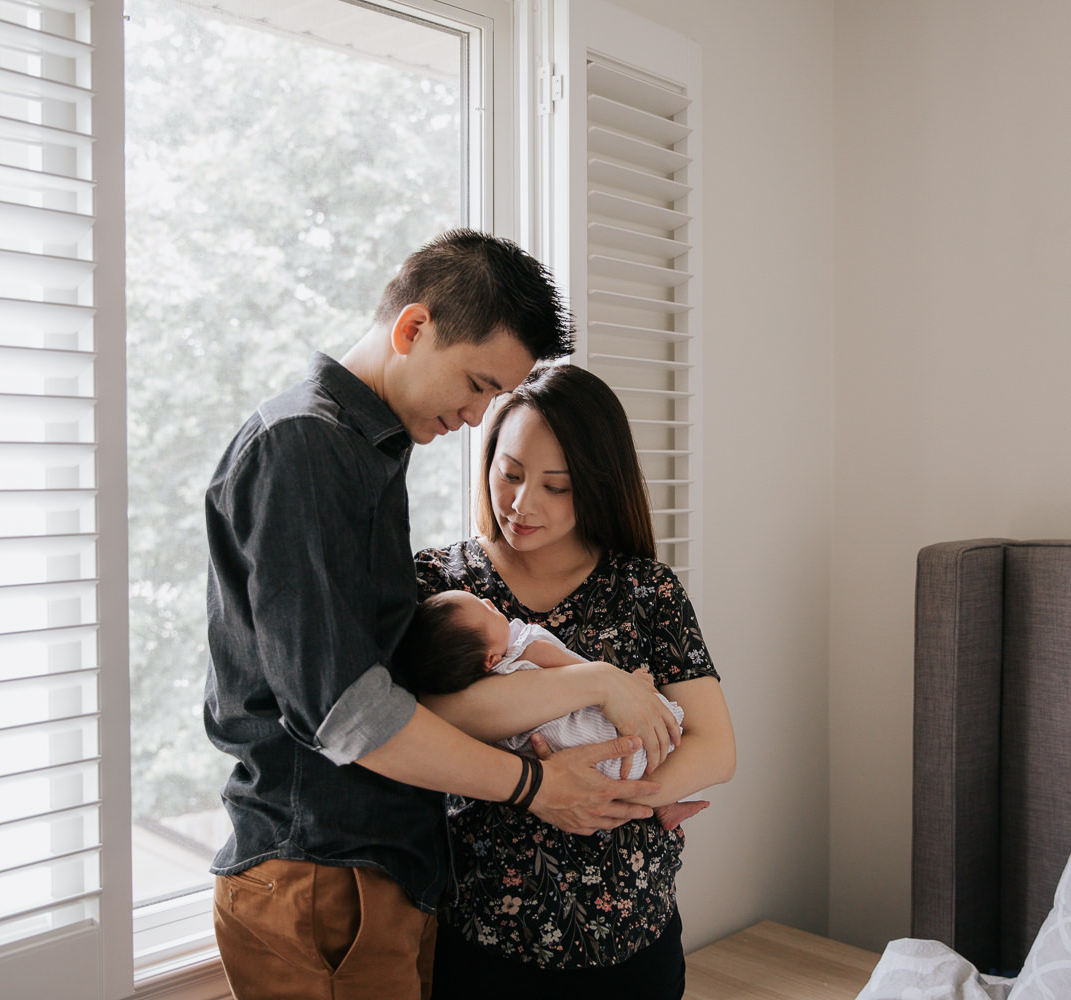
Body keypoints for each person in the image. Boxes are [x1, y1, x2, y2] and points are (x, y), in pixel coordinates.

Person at [202, 230, 680, 1000]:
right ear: (413, 328)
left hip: (375, 866)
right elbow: (349, 713)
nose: (480, 412)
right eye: (480, 383)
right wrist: (534, 786)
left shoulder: (370, 453)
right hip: (321, 868)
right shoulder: (305, 449)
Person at [414, 363, 737, 1000]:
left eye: (555, 486)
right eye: (509, 473)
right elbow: (433, 716)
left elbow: (716, 747)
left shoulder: (647, 590)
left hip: (634, 939)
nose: (521, 503)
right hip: (485, 940)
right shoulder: (444, 586)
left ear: (596, 485)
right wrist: (598, 682)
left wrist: (607, 800)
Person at [392, 589, 686, 782]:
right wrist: (623, 683)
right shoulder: (527, 646)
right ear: (490, 658)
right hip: (621, 745)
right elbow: (584, 671)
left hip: (593, 765)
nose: (490, 602)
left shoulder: (483, 688)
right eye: (488, 612)